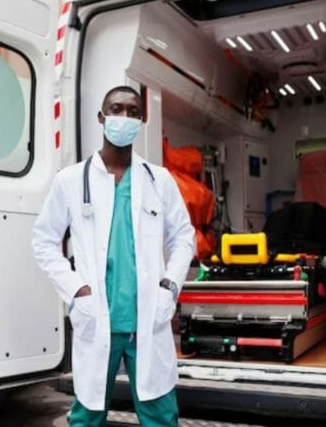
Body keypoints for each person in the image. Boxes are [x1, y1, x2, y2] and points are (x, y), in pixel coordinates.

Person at [32, 86, 195, 426]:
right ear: (101, 117)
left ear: (142, 120)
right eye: (116, 109)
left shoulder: (159, 180)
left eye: (133, 111)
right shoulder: (71, 181)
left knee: (161, 416)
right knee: (87, 416)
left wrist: (170, 285)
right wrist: (75, 289)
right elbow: (44, 241)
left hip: (148, 318)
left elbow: (184, 237)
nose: (124, 117)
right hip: (97, 316)